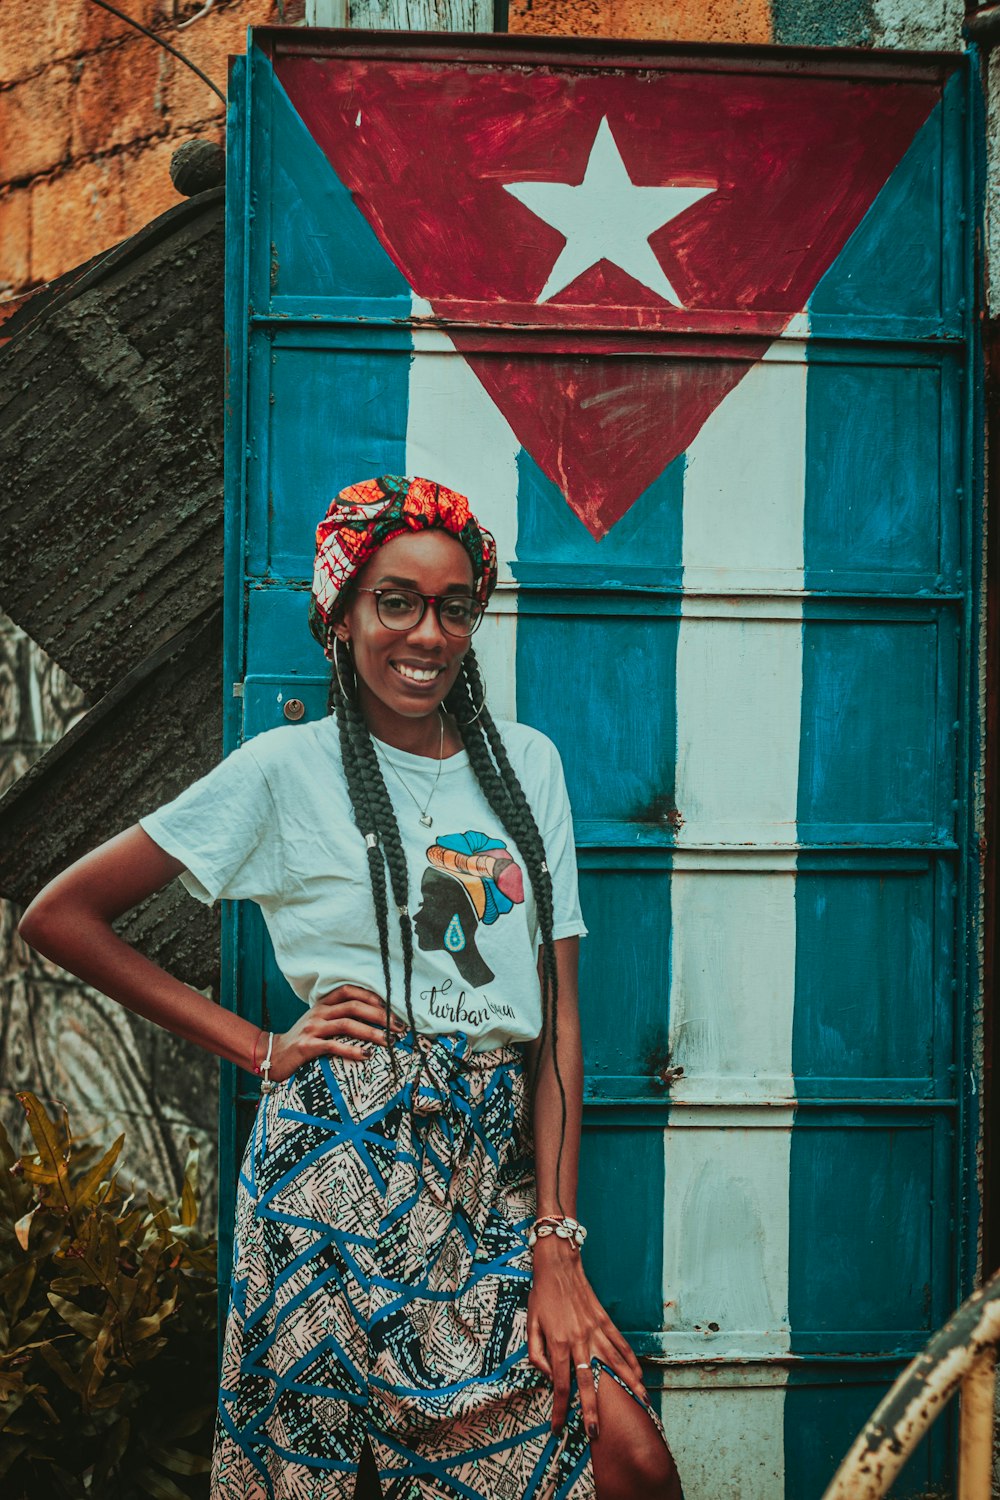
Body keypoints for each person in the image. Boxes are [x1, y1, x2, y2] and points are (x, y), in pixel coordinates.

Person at [18, 475, 683, 1500]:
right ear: (341, 615)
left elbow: (556, 1027)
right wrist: (261, 1049)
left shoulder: (529, 769)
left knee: (624, 1456)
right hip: (331, 1172)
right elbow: (60, 916)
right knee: (312, 1478)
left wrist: (555, 1238)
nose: (428, 631)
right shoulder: (284, 770)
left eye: (453, 605)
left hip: (482, 1181)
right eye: (397, 600)